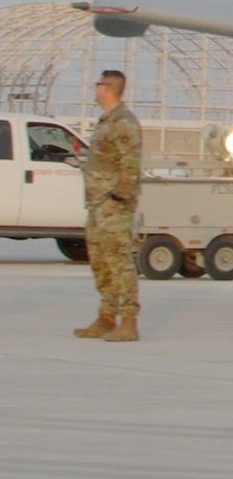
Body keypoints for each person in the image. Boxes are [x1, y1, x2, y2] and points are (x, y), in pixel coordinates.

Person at [74, 69, 143, 342]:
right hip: (97, 204)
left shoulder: (124, 122)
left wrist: (120, 197)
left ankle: (128, 321)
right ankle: (106, 317)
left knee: (119, 261)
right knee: (101, 262)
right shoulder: (106, 121)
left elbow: (130, 164)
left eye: (98, 84)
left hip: (114, 206)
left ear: (107, 88)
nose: (96, 89)